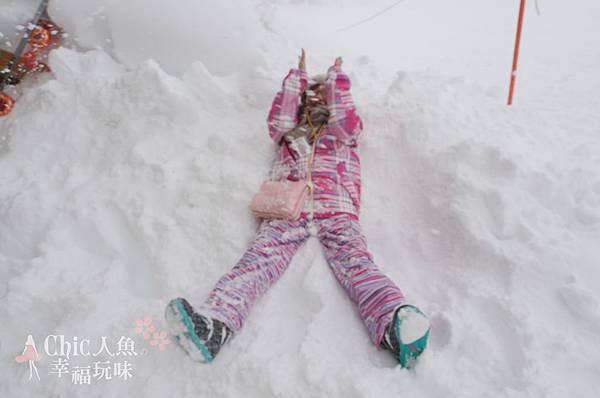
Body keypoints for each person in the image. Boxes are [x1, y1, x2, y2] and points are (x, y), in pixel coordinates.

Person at [165, 49, 430, 368]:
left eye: (324, 95)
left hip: (337, 212)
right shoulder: (291, 136)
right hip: (287, 211)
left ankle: (394, 326)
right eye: (312, 95)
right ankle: (214, 326)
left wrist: (335, 80)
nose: (318, 99)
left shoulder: (342, 136)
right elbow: (278, 119)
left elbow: (346, 119)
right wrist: (298, 77)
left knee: (357, 265)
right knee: (257, 262)